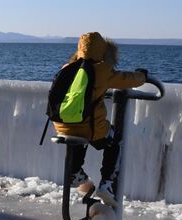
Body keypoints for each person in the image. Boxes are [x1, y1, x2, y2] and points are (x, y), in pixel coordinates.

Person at [54, 32, 147, 206]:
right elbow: (128, 80)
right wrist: (142, 76)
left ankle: (74, 171)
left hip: (62, 124)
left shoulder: (67, 67)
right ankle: (107, 183)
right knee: (114, 140)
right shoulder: (101, 70)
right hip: (88, 127)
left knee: (79, 137)